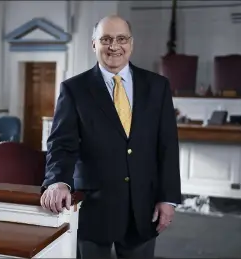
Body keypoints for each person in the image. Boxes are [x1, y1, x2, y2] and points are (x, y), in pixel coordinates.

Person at [40, 15, 181, 259]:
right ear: (94, 44)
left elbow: (167, 146)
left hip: (143, 207)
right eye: (105, 39)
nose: (114, 46)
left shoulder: (157, 87)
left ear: (131, 43)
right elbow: (62, 144)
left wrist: (168, 198)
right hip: (94, 208)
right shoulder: (74, 89)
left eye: (121, 39)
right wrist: (58, 181)